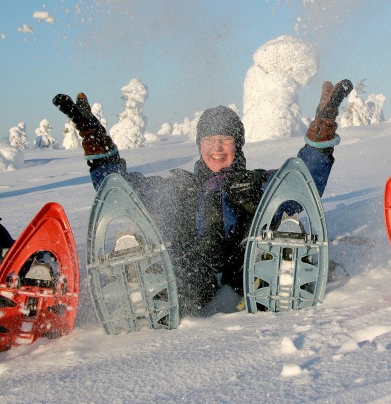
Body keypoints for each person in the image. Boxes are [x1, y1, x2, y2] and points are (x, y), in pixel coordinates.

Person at [53, 80, 351, 315]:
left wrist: (320, 142)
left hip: (248, 277)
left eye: (225, 139)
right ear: (199, 145)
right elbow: (120, 191)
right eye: (209, 139)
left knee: (284, 222)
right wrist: (99, 148)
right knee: (164, 248)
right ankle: (141, 284)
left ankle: (283, 270)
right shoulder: (179, 188)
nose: (217, 148)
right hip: (190, 285)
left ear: (239, 145)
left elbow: (301, 186)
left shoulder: (259, 182)